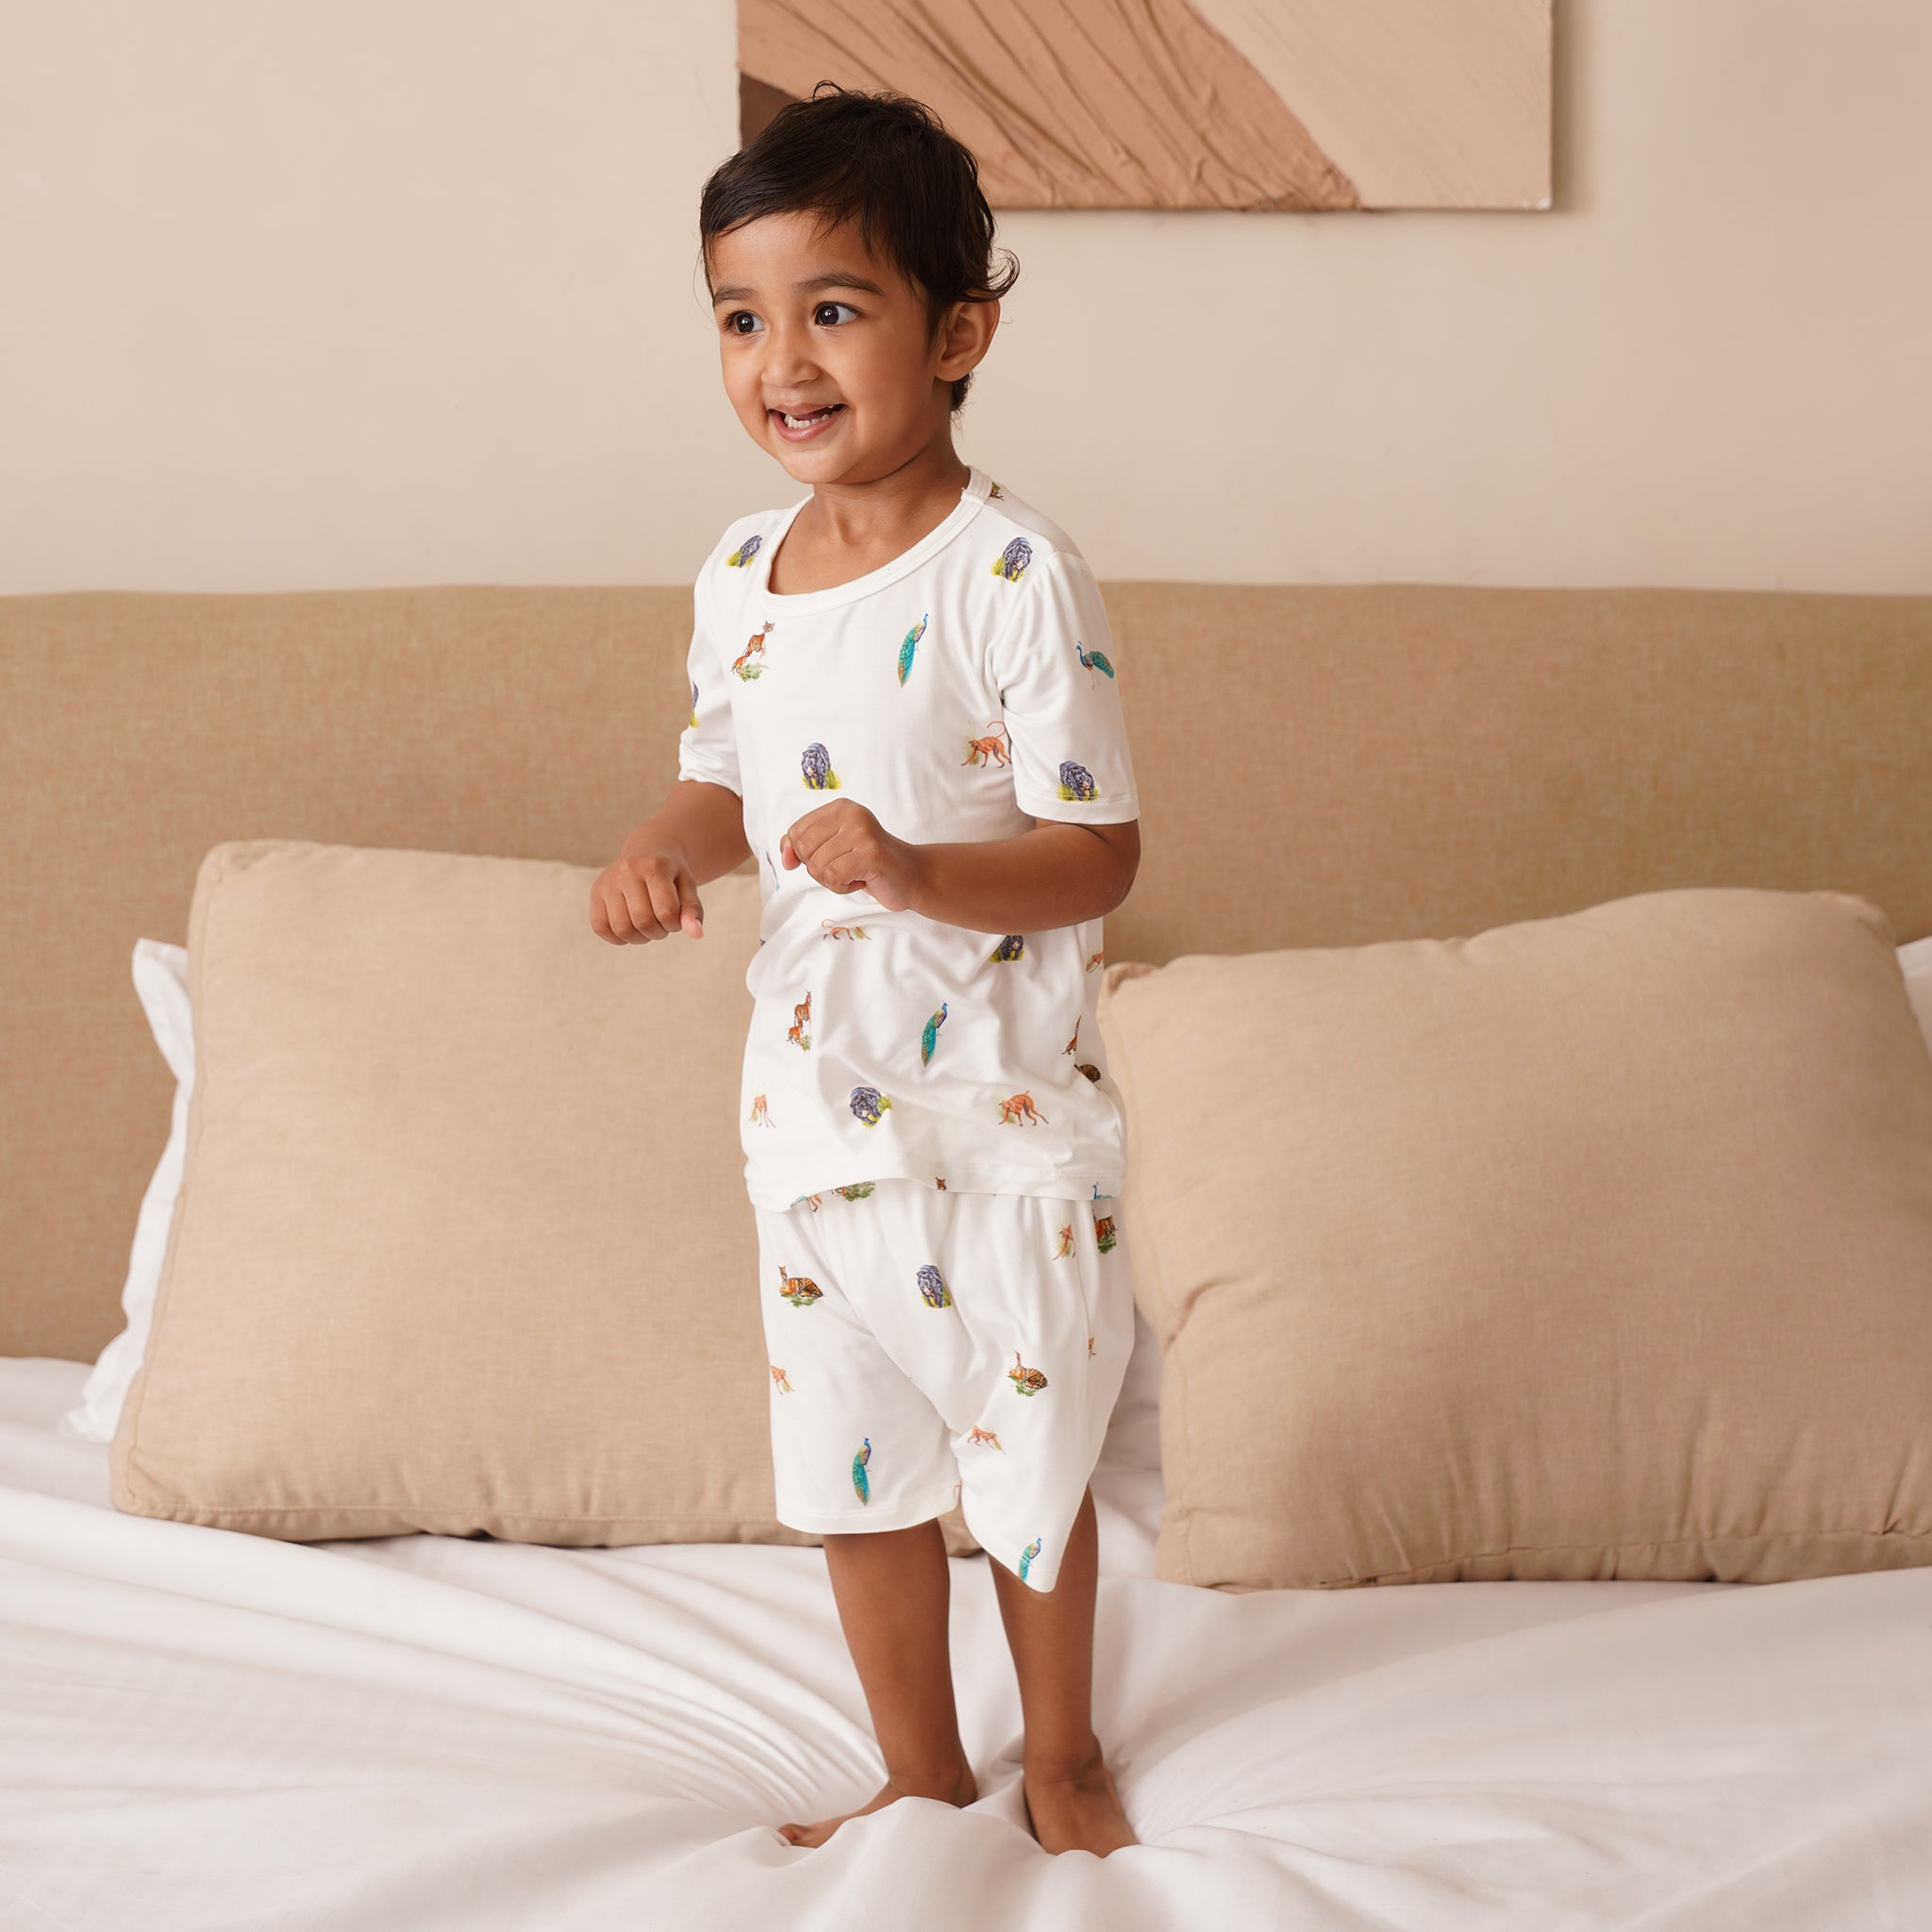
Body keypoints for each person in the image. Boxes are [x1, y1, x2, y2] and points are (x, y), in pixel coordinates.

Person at [590, 82, 1141, 1859]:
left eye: (835, 308)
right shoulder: (741, 574)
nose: (782, 360)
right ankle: (920, 1768)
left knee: (1025, 1467)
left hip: (1000, 1125)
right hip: (814, 1123)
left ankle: (1061, 1755)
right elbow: (723, 763)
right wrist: (670, 846)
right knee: (857, 1470)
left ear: (956, 329)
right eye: (741, 318)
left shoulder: (1014, 574)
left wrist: (906, 866)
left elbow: (1100, 849)